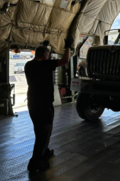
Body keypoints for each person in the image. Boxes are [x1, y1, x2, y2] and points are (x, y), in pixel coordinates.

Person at [25, 38, 73, 172]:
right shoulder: (45, 65)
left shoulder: (28, 65)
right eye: (48, 55)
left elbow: (43, 56)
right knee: (44, 132)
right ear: (45, 56)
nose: (49, 57)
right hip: (44, 104)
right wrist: (68, 46)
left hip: (32, 103)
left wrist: (44, 47)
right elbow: (65, 60)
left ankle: (44, 152)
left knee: (38, 129)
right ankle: (35, 162)